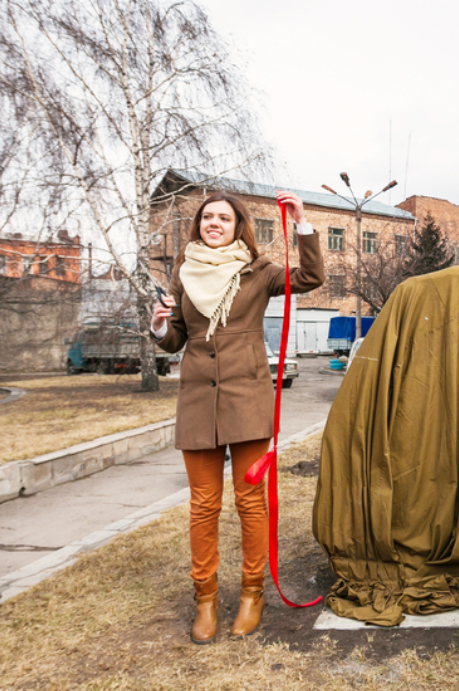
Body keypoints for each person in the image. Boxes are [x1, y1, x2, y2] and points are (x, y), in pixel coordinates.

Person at [150, 190, 325, 644]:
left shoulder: (257, 272)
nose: (214, 223)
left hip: (246, 400)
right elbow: (177, 339)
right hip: (196, 405)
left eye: (223, 218)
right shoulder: (183, 274)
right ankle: (204, 599)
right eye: (207, 217)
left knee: (250, 502)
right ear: (199, 225)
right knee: (203, 505)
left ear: (237, 226)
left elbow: (310, 276)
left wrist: (302, 220)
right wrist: (158, 327)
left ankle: (252, 593)